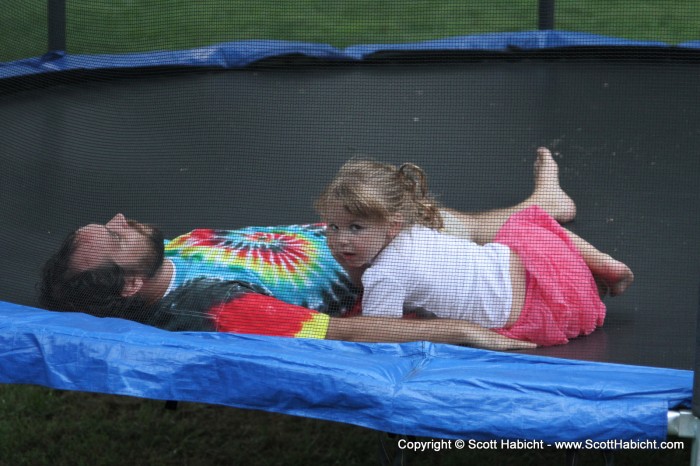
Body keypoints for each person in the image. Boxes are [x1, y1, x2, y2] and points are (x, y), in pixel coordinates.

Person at [38, 148, 579, 350]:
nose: (118, 220)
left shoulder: (161, 256)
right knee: (441, 226)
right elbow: (342, 331)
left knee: (441, 219)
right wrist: (460, 331)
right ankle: (543, 210)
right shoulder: (221, 309)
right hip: (364, 256)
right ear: (131, 283)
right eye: (114, 238)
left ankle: (543, 204)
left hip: (327, 235)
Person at [315, 148, 634, 346]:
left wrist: (354, 271)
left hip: (546, 313)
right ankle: (601, 261)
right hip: (552, 270)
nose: (341, 239)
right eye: (333, 227)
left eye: (355, 228)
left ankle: (597, 268)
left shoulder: (383, 277)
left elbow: (378, 332)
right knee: (525, 225)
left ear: (393, 225)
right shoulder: (413, 230)